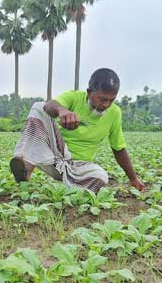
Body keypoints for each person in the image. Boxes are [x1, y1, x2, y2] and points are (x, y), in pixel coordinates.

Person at [11, 68, 145, 193]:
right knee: (39, 107)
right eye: (102, 99)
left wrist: (133, 179)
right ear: (89, 92)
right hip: (51, 157)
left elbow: (119, 149)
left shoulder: (115, 113)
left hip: (78, 167)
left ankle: (70, 187)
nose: (106, 105)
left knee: (101, 177)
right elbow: (50, 105)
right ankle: (26, 167)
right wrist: (61, 110)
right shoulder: (74, 98)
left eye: (111, 100)